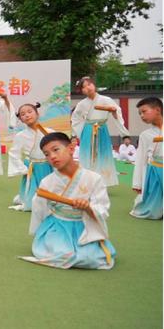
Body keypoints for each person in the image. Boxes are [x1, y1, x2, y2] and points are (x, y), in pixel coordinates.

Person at [20, 132, 115, 270]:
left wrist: (88, 207)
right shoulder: (47, 182)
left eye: (55, 149)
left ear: (71, 148)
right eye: (46, 154)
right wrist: (39, 231)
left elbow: (102, 208)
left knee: (90, 259)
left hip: (83, 226)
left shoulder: (94, 178)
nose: (52, 156)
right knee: (63, 254)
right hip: (58, 226)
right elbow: (39, 208)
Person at [71, 76, 129, 186]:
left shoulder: (106, 100)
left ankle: (103, 182)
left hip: (102, 129)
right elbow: (75, 118)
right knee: (88, 155)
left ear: (94, 85)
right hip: (88, 130)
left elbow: (117, 112)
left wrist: (114, 112)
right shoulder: (82, 104)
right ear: (81, 91)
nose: (88, 88)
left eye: (89, 84)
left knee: (103, 154)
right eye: (84, 87)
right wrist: (80, 131)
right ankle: (87, 182)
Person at [7, 103, 54, 212]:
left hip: (48, 166)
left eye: (30, 112)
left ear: (37, 114)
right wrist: (23, 168)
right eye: (23, 114)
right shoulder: (20, 136)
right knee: (34, 204)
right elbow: (14, 153)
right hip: (32, 169)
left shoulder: (50, 132)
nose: (27, 115)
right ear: (21, 119)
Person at [130, 97, 163, 220]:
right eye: (140, 113)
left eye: (144, 111)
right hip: (155, 172)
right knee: (151, 212)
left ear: (158, 110)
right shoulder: (145, 135)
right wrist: (137, 183)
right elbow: (140, 160)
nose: (142, 116)